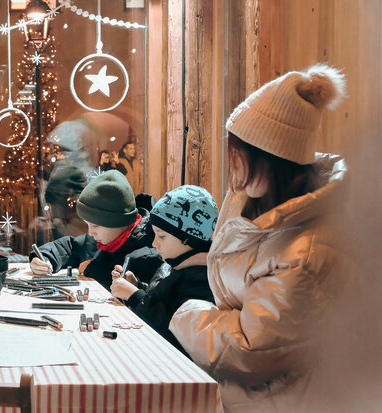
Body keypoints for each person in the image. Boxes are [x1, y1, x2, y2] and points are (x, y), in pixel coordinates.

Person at [169, 64, 349, 411]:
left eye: (240, 155)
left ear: (272, 159)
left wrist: (185, 314)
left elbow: (253, 348)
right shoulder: (254, 208)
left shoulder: (305, 250)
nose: (234, 166)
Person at [110, 185, 217, 356]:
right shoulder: (181, 266)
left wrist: (135, 296)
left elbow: (173, 330)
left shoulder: (201, 281)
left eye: (161, 236)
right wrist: (138, 286)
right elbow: (165, 301)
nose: (154, 243)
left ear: (187, 237)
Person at [29, 170, 163, 289]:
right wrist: (44, 258)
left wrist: (94, 270)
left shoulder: (150, 253)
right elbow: (68, 247)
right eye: (88, 225)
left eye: (95, 226)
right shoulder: (103, 237)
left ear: (117, 221)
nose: (91, 232)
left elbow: (135, 291)